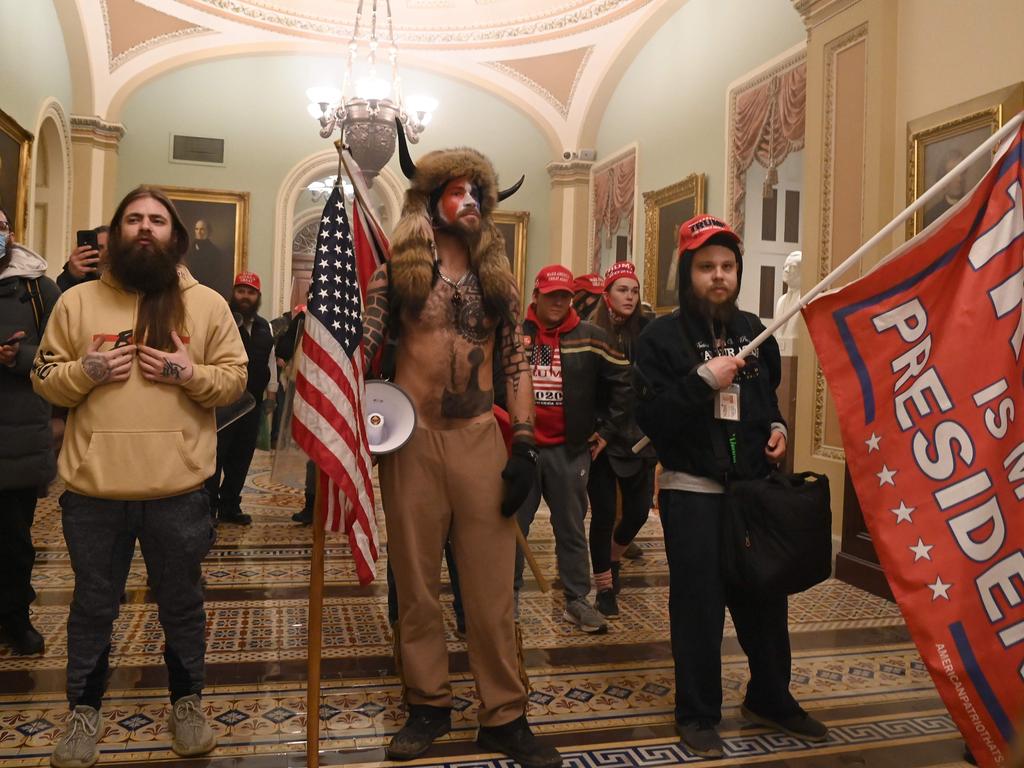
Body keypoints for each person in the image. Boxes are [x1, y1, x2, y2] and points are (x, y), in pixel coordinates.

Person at [361, 125, 561, 768]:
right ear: (430, 200)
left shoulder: (498, 282)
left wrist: (524, 445)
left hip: (481, 442)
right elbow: (359, 352)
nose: (471, 199)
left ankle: (503, 714)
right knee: (416, 585)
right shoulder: (396, 277)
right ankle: (427, 704)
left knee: (491, 590)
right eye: (458, 189)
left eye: (479, 190)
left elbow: (518, 362)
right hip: (411, 442)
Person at [31, 186, 247, 768]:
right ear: (115, 232)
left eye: (156, 220)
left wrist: (189, 372)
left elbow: (235, 382)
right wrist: (86, 370)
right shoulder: (76, 303)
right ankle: (83, 711)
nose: (145, 228)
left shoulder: (207, 306)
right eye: (133, 219)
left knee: (182, 603)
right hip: (94, 494)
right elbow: (45, 378)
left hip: (178, 492)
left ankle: (188, 703)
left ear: (175, 235)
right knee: (93, 605)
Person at [633, 214, 829, 758]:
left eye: (726, 266)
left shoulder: (753, 330)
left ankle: (771, 696)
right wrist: (702, 381)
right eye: (705, 267)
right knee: (698, 606)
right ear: (686, 272)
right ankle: (697, 714)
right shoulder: (659, 340)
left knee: (766, 597)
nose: (718, 276)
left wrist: (778, 429)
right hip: (692, 492)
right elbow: (652, 419)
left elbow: (765, 397)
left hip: (754, 494)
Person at [514, 264, 631, 634]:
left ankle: (577, 601)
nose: (558, 302)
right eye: (551, 295)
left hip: (570, 450)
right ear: (537, 296)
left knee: (571, 527)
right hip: (522, 449)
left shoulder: (592, 337)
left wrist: (607, 431)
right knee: (513, 527)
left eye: (564, 295)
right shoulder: (515, 336)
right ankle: (508, 599)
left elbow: (624, 384)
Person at [0, 206, 60, 656]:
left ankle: (15, 618)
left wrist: (18, 358)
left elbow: (64, 351)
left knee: (14, 539)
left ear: (12, 234)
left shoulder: (38, 288)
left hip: (16, 434)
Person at [585, 260, 656, 618]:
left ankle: (614, 558)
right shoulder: (591, 331)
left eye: (634, 290)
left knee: (639, 513)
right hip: (602, 437)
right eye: (622, 290)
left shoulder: (649, 330)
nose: (630, 297)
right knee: (602, 515)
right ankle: (605, 586)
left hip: (642, 437)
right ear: (607, 294)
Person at [205, 271, 276, 525]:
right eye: (241, 291)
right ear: (233, 293)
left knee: (241, 458)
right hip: (222, 405)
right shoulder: (220, 321)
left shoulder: (265, 326)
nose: (245, 297)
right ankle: (209, 509)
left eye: (251, 292)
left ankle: (230, 506)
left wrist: (272, 393)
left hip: (252, 405)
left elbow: (270, 361)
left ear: (258, 296)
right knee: (216, 457)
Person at [57, 226, 108, 292]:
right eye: (99, 248)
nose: (106, 254)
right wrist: (71, 276)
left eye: (112, 248)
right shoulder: (70, 278)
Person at [774, 250, 802, 344]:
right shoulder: (781, 301)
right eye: (785, 266)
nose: (786, 270)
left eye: (792, 267)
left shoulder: (806, 299)